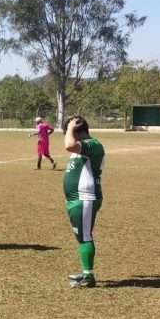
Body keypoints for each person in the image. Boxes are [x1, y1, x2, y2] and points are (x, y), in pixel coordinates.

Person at [63, 115, 105, 288]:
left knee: (85, 236)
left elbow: (68, 145)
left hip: (85, 199)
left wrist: (71, 127)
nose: (67, 135)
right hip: (77, 200)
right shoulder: (82, 148)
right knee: (82, 236)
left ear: (78, 130)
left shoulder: (93, 145)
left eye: (69, 131)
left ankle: (88, 276)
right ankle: (87, 273)